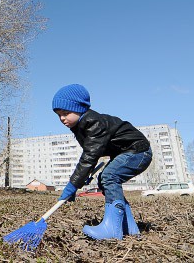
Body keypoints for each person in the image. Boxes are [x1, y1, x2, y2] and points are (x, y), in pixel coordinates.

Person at [53, 84, 153, 240]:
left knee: (109, 176)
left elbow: (89, 156)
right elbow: (93, 154)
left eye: (66, 113)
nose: (62, 118)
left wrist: (73, 184)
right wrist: (84, 176)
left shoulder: (93, 123)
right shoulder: (81, 126)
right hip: (125, 152)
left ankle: (112, 230)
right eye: (59, 115)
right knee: (105, 178)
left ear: (79, 108)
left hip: (138, 151)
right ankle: (128, 227)